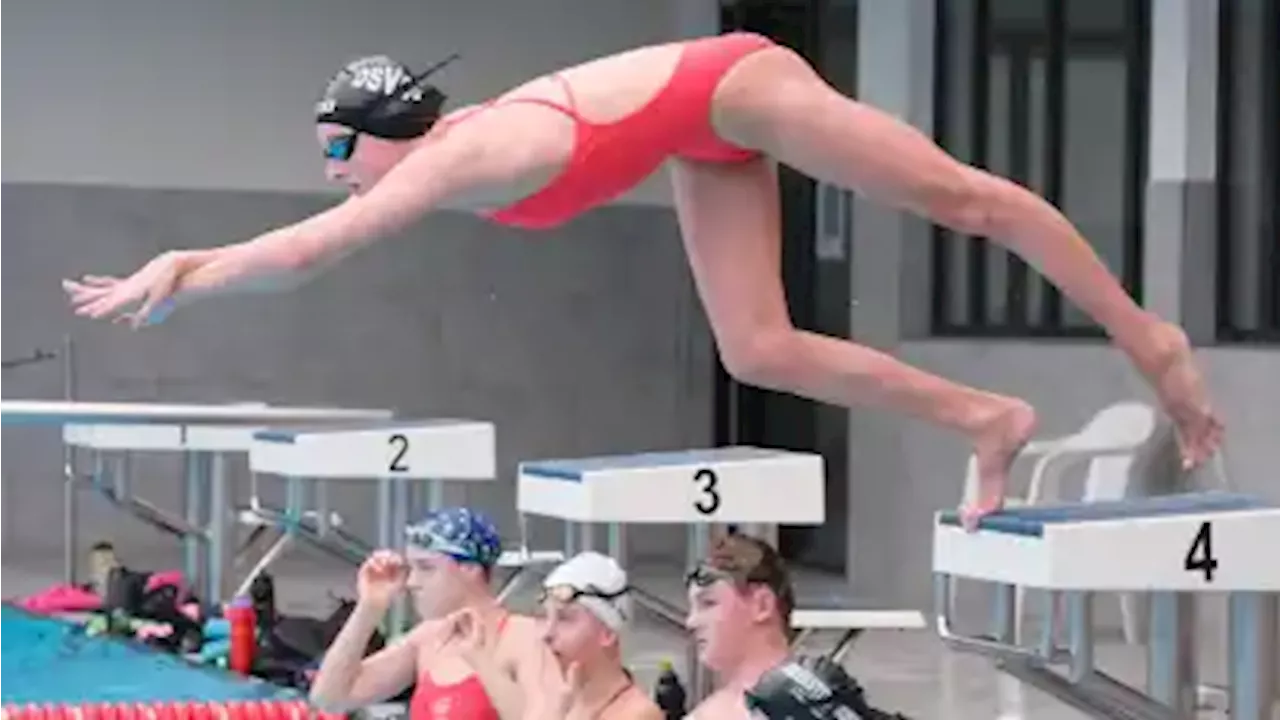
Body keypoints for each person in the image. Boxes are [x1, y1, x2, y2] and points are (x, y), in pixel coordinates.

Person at [61, 33, 1223, 525]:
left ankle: (1145, 335)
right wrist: (199, 265)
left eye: (336, 149)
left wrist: (190, 266)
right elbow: (308, 240)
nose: (330, 170)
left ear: (386, 135)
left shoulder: (449, 159)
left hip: (732, 84)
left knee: (958, 200)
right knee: (756, 351)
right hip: (689, 134)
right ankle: (987, 414)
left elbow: (308, 254)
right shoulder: (426, 164)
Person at [309, 507, 546, 719]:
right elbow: (329, 697)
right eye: (412, 568)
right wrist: (370, 606)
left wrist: (481, 661)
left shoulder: (522, 638)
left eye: (426, 568)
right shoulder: (428, 638)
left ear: (470, 569)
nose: (412, 582)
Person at [684, 532, 906, 719]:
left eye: (708, 603)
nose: (691, 621)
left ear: (762, 605)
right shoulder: (707, 711)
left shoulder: (806, 699)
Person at [493, 551, 662, 719]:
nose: (547, 633)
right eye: (545, 617)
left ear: (608, 633)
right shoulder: (557, 700)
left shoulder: (637, 714)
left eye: (564, 619)